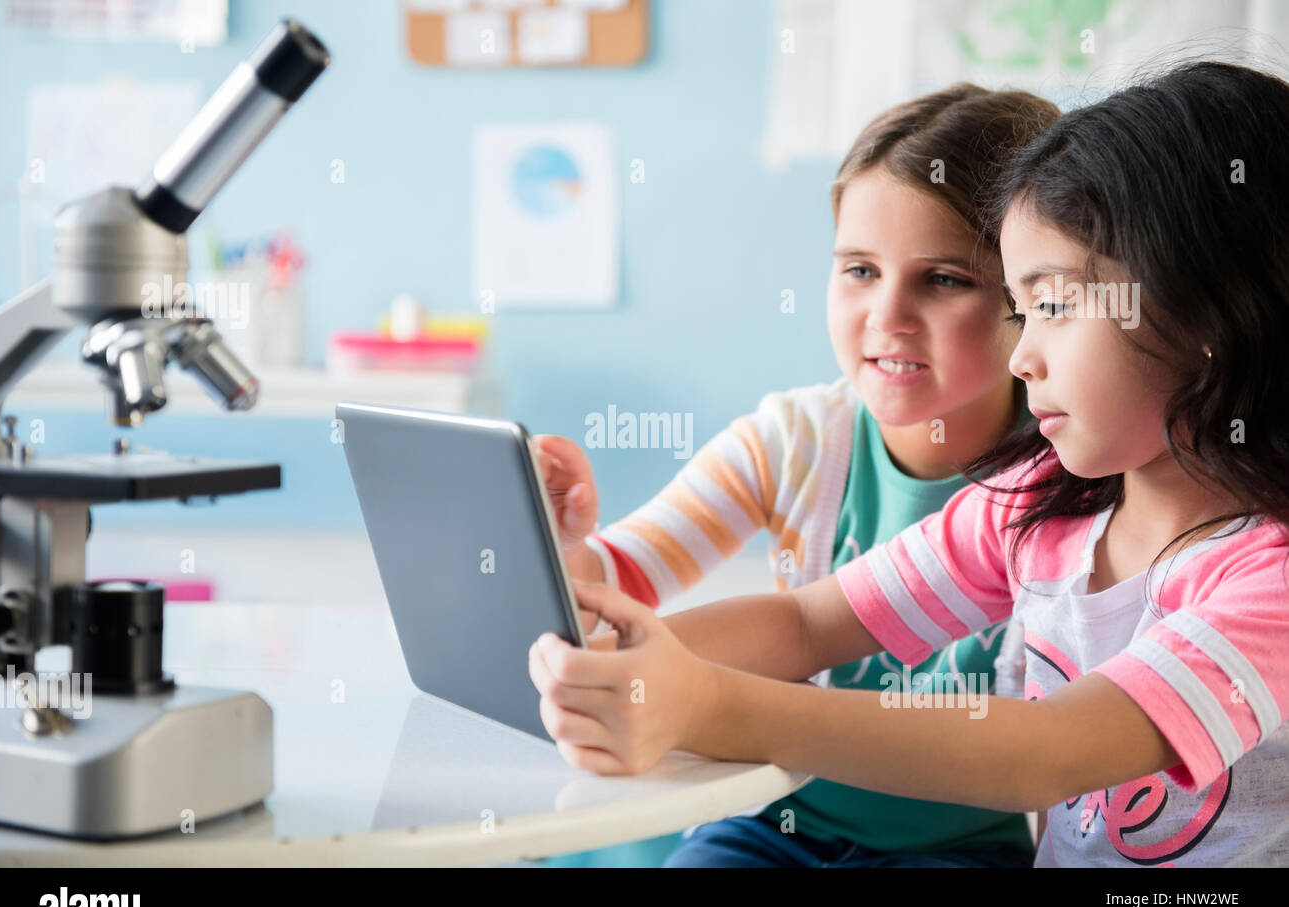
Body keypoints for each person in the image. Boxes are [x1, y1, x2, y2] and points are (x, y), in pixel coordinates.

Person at [530, 60, 1289, 866]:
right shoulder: (1035, 504)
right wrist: (617, 669)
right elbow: (810, 622)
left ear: (1209, 310)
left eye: (1057, 306)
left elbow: (1042, 752)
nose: (1023, 354)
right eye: (1022, 311)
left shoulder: (1267, 581)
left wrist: (704, 704)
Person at [533, 83, 1059, 867]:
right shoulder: (796, 439)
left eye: (943, 278)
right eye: (859, 269)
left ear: (1033, 297)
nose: (888, 314)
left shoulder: (1072, 475)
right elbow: (619, 584)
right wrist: (567, 541)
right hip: (773, 826)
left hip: (960, 847)